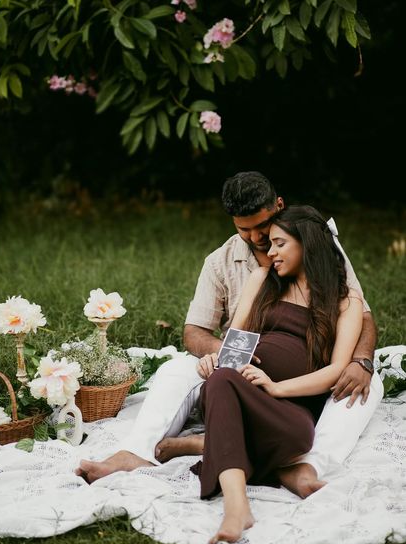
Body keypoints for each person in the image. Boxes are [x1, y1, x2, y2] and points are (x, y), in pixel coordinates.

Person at [76, 172, 383, 496]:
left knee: (366, 382)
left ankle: (306, 466)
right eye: (243, 229)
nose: (255, 237)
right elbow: (194, 330)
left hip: (313, 373)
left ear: (279, 207)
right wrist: (222, 354)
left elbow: (362, 315)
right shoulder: (221, 263)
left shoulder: (318, 246)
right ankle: (137, 452)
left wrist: (361, 361)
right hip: (242, 369)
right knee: (176, 369)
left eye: (263, 227)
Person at [191, 205, 364, 544]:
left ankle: (205, 444)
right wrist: (214, 359)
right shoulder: (262, 280)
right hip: (236, 390)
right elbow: (233, 341)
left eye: (279, 244)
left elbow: (335, 370)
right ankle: (236, 506)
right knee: (221, 379)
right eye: (270, 245)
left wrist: (276, 388)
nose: (269, 253)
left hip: (289, 414)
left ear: (307, 244)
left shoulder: (346, 302)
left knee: (236, 395)